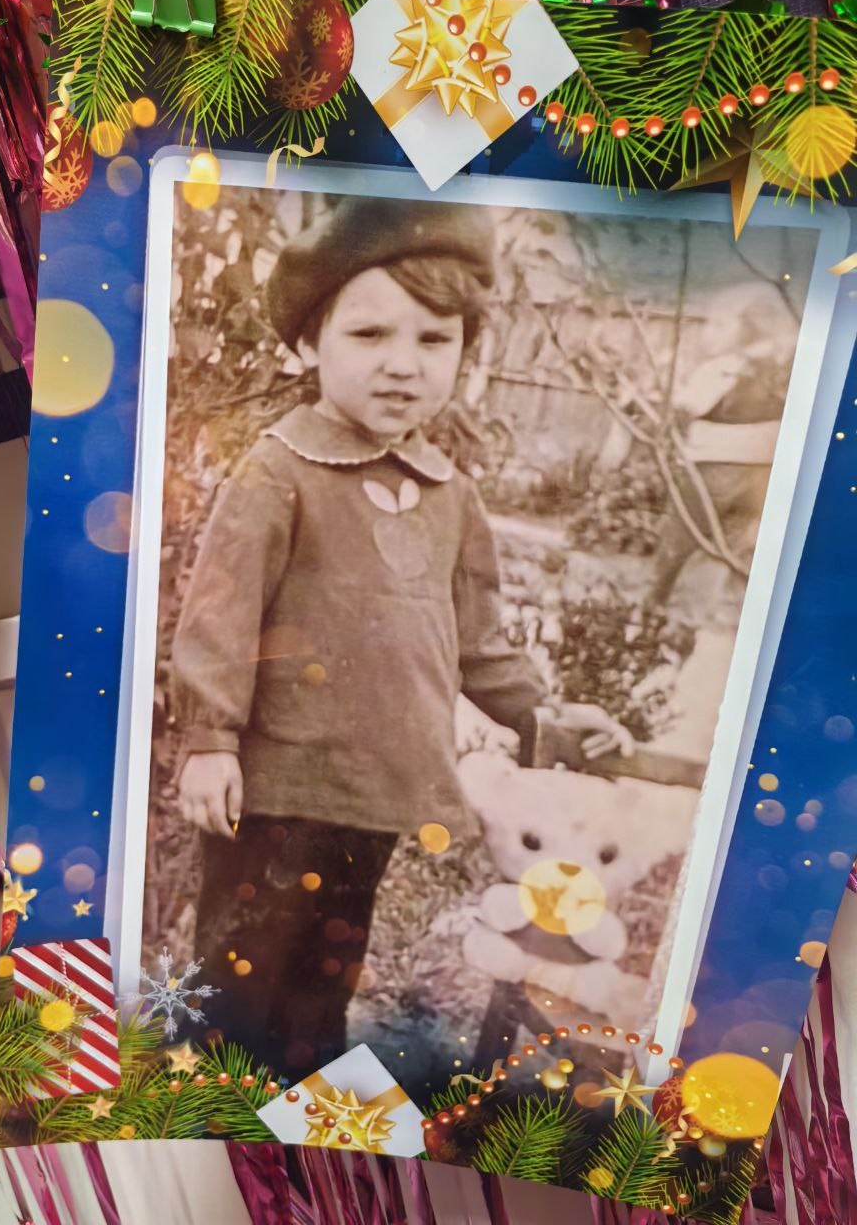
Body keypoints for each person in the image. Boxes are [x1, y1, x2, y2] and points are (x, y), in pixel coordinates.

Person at [172, 197, 630, 1074]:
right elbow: (220, 615)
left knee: (326, 976)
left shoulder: (450, 496)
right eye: (370, 334)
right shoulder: (279, 472)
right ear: (311, 342)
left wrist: (546, 720)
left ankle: (301, 1098)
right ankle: (213, 1105)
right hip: (276, 792)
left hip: (375, 795)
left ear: (464, 351)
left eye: (434, 339)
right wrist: (210, 740)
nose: (403, 365)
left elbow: (476, 642)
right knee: (242, 972)